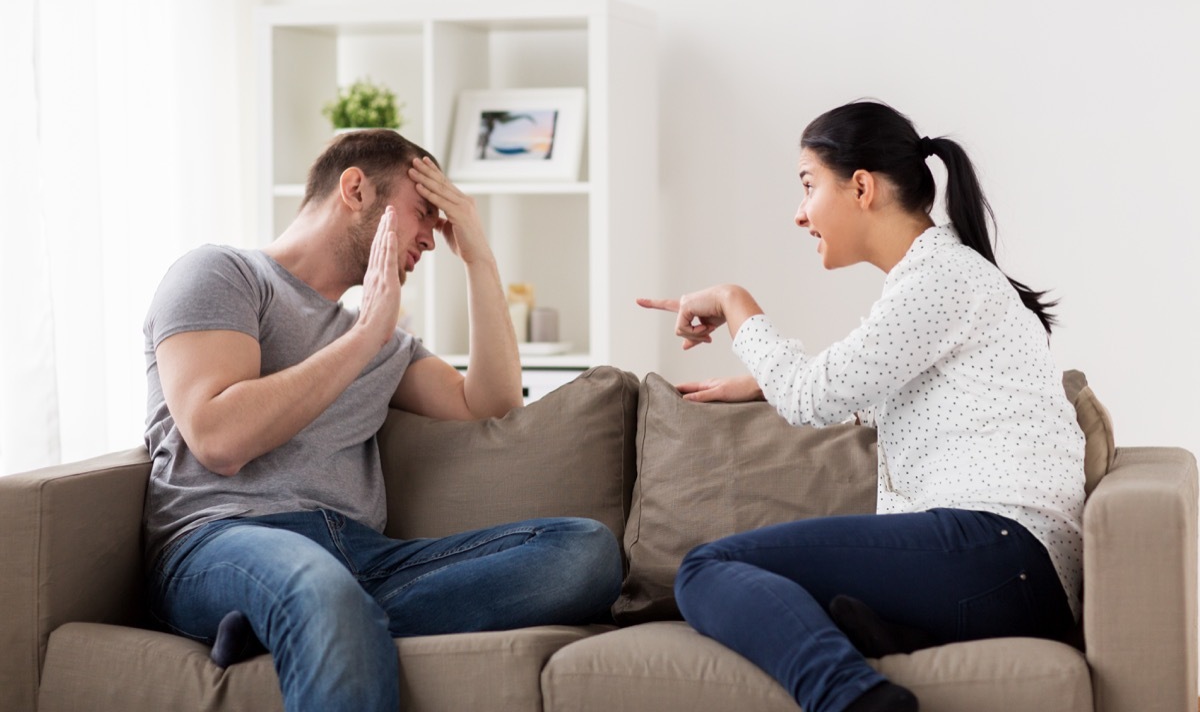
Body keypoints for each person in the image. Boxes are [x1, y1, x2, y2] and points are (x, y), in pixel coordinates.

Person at [142, 129, 622, 712]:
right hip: (222, 539)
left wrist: (478, 255)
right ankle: (307, 613)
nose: (429, 236)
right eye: (424, 211)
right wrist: (366, 333)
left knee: (586, 552)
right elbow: (219, 439)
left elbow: (492, 406)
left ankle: (284, 625)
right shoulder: (223, 274)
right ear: (355, 189)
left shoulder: (385, 342)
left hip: (363, 556)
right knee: (319, 590)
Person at [638, 101, 1084, 712]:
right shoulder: (936, 278)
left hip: (999, 550)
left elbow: (808, 399)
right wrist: (765, 380)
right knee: (776, 594)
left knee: (706, 568)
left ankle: (857, 702)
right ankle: (878, 641)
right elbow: (887, 399)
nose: (799, 214)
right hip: (1007, 565)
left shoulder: (942, 278)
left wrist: (733, 301)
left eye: (807, 185)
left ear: (862, 187)